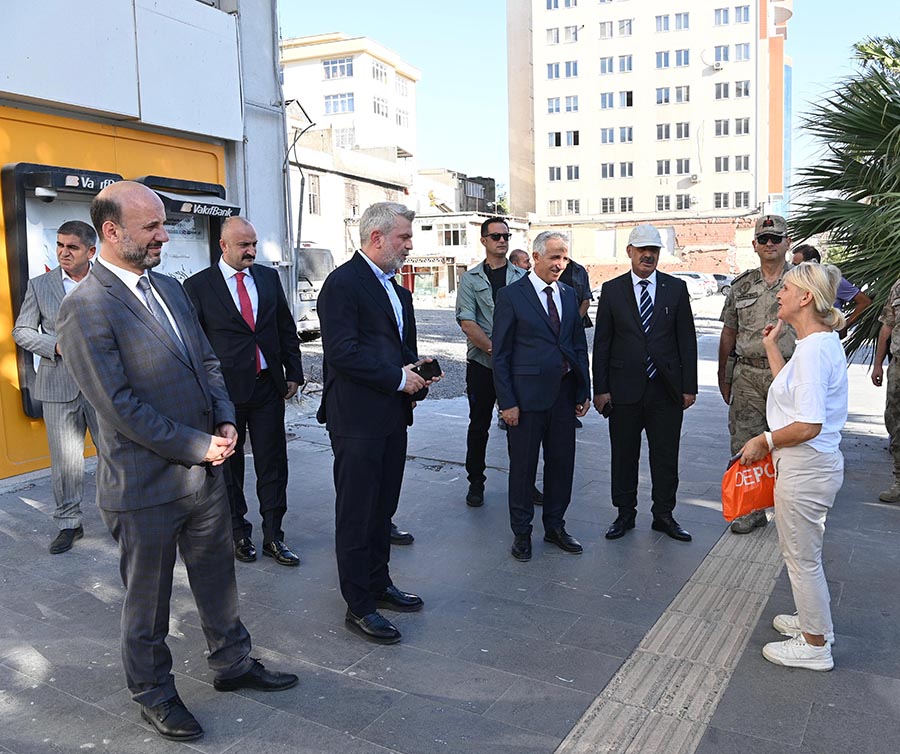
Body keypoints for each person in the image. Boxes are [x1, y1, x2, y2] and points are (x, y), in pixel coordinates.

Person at [56, 182, 297, 743]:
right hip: (144, 486)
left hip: (204, 473)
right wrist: (197, 445)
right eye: (152, 227)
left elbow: (206, 360)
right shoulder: (84, 308)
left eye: (163, 224)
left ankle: (232, 665)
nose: (165, 235)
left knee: (219, 581)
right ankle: (154, 693)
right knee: (149, 602)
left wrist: (224, 417)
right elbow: (117, 407)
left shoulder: (169, 288)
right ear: (112, 232)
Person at [317, 201, 439, 645]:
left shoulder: (399, 291)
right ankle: (359, 604)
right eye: (404, 237)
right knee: (356, 512)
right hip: (355, 420)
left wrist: (418, 373)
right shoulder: (342, 284)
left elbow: (399, 352)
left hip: (391, 416)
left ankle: (379, 582)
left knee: (382, 509)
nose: (410, 245)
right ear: (376, 238)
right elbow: (343, 353)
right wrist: (395, 377)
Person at [738, 262, 847, 671]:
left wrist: (763, 441)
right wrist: (771, 347)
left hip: (806, 467)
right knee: (803, 553)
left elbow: (807, 423)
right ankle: (813, 622)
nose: (779, 293)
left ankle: (816, 644)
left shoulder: (815, 351)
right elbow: (794, 397)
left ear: (805, 298)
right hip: (809, 466)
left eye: (786, 287)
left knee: (801, 557)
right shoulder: (815, 344)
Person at [184, 217, 304, 567]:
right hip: (223, 394)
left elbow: (285, 326)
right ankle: (237, 531)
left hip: (267, 386)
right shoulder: (198, 286)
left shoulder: (267, 278)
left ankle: (274, 536)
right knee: (229, 467)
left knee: (273, 463)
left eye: (253, 244)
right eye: (243, 245)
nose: (251, 251)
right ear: (224, 246)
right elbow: (193, 343)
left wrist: (293, 371)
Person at [593, 224, 697, 542]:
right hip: (624, 390)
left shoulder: (675, 288)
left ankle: (663, 515)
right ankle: (625, 514)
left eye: (654, 250)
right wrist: (600, 389)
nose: (648, 255)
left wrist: (688, 386)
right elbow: (602, 344)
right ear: (630, 252)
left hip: (665, 390)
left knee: (665, 455)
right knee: (624, 455)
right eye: (642, 250)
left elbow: (686, 340)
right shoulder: (612, 290)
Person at [492, 231, 591, 561]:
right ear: (535, 258)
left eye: (564, 257)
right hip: (525, 399)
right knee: (523, 468)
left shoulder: (568, 293)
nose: (560, 264)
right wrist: (507, 402)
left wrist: (583, 389)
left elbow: (577, 346)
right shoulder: (511, 296)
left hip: (563, 397)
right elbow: (501, 354)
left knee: (562, 465)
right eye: (554, 257)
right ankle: (522, 532)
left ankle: (555, 526)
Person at [12, 220, 100, 554]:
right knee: (66, 462)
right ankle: (69, 523)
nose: (64, 252)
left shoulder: (107, 282)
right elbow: (21, 331)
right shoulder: (40, 285)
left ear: (90, 251)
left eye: (72, 247)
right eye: (60, 245)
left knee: (114, 455)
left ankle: (121, 518)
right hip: (58, 384)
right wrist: (55, 346)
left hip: (103, 386)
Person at [718, 215, 796, 534]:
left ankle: (791, 509)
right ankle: (750, 510)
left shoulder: (803, 281)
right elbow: (728, 333)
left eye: (775, 238)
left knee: (791, 444)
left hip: (790, 374)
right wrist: (724, 377)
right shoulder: (742, 285)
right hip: (748, 376)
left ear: (787, 243)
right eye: (763, 239)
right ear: (754, 245)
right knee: (745, 441)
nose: (769, 244)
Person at [456, 217, 541, 507]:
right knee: (478, 425)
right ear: (484, 241)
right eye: (495, 236)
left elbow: (531, 320)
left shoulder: (522, 277)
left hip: (517, 368)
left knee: (520, 427)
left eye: (506, 236)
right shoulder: (470, 279)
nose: (502, 241)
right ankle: (475, 483)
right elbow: (467, 321)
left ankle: (525, 485)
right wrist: (496, 349)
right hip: (482, 363)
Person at [791, 244, 871, 333]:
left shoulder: (832, 280)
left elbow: (865, 302)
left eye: (797, 266)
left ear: (812, 264)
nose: (793, 270)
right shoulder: (794, 284)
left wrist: (845, 326)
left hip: (826, 336)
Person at [871, 276, 900, 502]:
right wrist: (878, 364)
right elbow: (887, 326)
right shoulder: (898, 285)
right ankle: (899, 481)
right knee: (895, 422)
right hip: (898, 367)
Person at [559, 256, 594, 428]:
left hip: (574, 327)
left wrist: (574, 323)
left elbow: (586, 300)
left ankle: (574, 407)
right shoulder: (546, 268)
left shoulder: (579, 270)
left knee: (577, 365)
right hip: (552, 327)